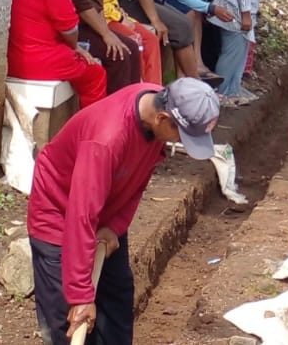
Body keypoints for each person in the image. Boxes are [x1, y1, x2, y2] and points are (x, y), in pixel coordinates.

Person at [27, 77, 219, 345]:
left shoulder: (152, 112)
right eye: (182, 136)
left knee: (115, 301)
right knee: (65, 323)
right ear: (162, 118)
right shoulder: (106, 139)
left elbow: (137, 179)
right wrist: (81, 296)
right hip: (60, 211)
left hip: (105, 206)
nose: (182, 143)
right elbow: (80, 215)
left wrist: (115, 225)